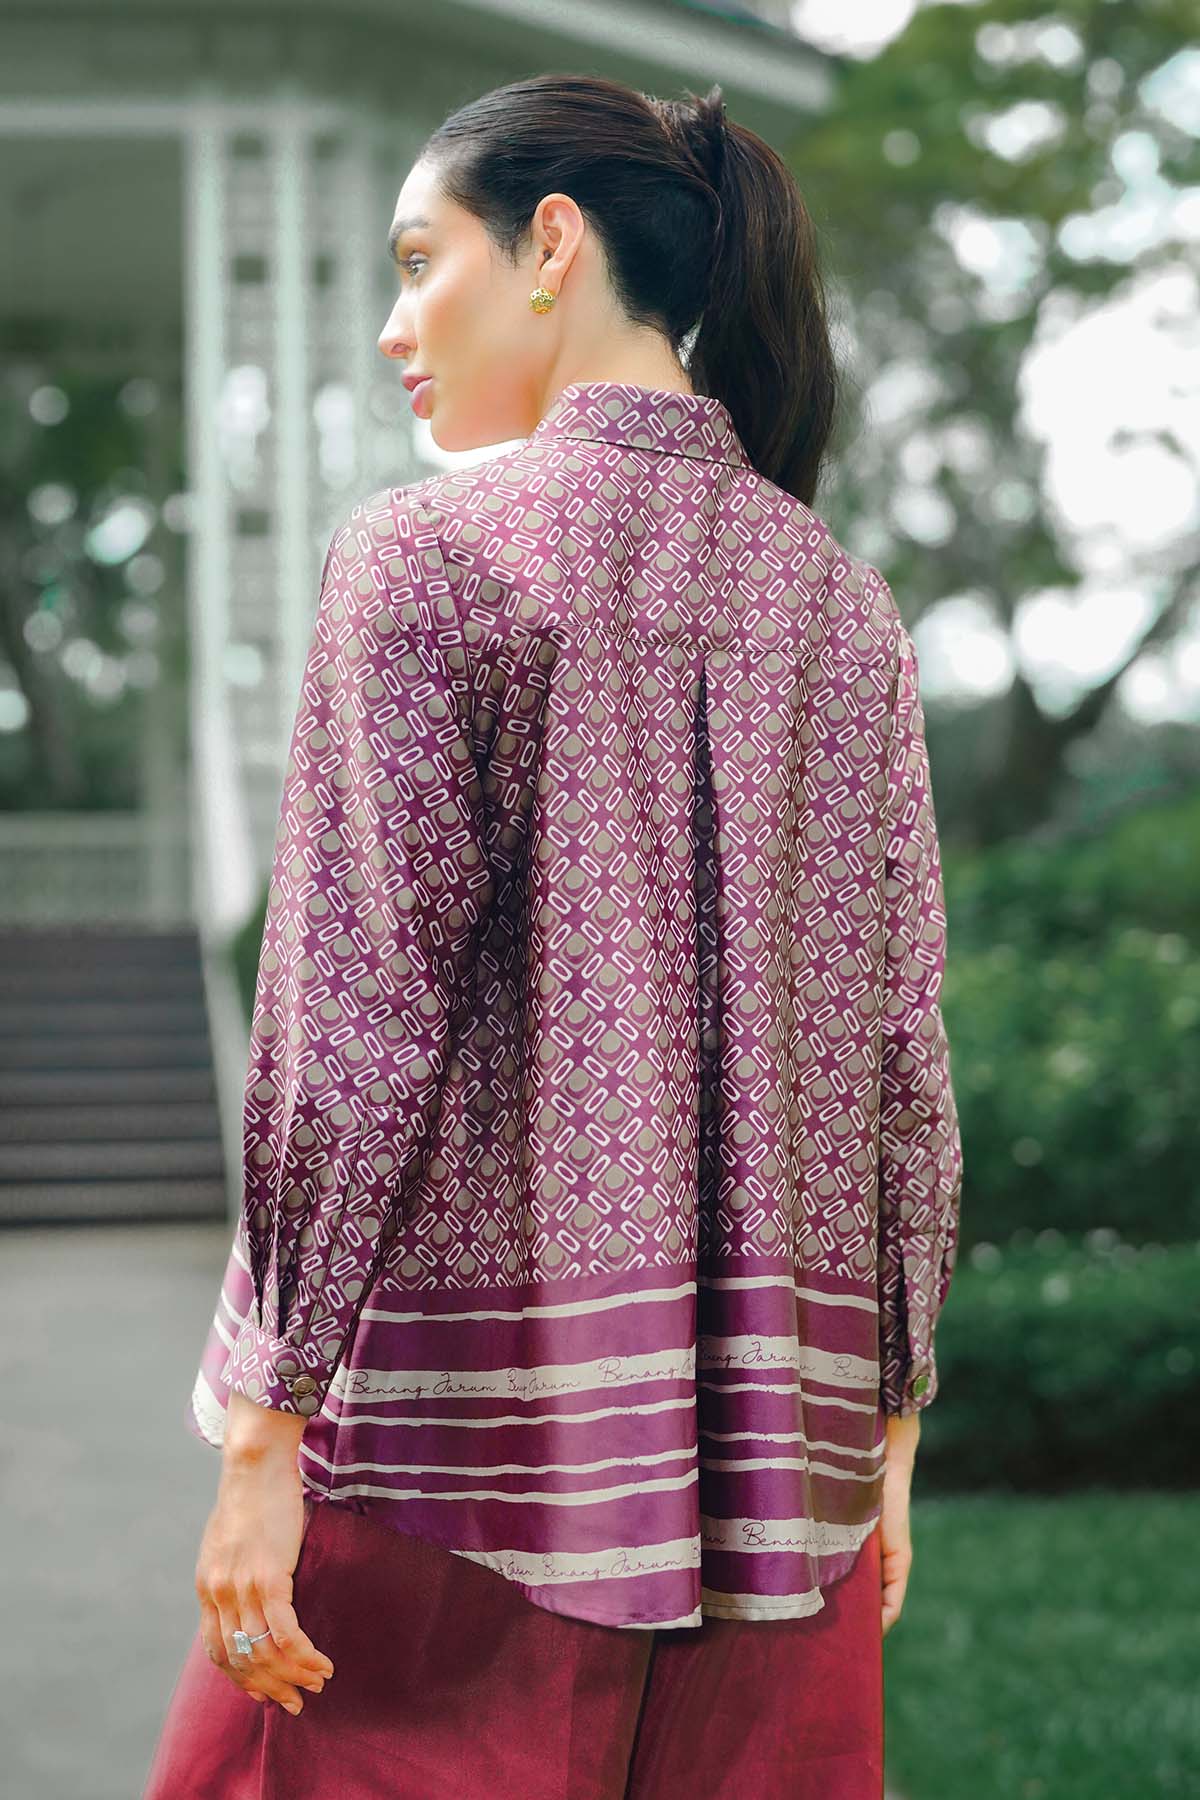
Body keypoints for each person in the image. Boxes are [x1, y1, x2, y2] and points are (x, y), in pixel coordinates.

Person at [144, 70, 963, 1800]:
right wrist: (890, 1414)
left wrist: (269, 1428)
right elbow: (902, 1048)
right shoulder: (839, 602)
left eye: (419, 260)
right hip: (777, 1477)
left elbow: (358, 1024)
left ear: (553, 246)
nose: (393, 326)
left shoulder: (429, 558)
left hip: (454, 1481)